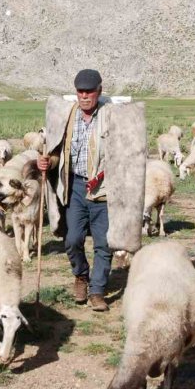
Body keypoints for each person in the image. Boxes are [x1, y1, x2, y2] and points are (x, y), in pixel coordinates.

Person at [38, 69, 112, 312]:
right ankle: (81, 275)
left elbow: (124, 152)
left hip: (104, 189)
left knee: (104, 243)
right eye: (80, 91)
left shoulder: (110, 116)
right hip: (75, 186)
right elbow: (59, 154)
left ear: (99, 91)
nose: (84, 96)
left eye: (89, 91)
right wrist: (48, 162)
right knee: (72, 239)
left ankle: (97, 291)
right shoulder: (69, 116)